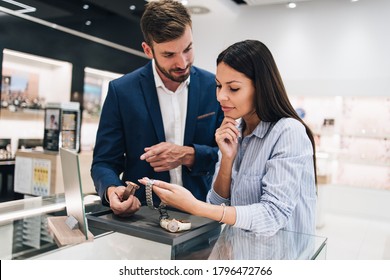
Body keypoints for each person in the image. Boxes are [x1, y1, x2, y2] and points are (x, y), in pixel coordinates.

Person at [139, 40, 317, 235]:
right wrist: (227, 160)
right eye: (218, 86)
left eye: (233, 88)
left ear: (261, 87)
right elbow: (217, 204)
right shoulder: (234, 129)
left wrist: (194, 206)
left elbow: (273, 215)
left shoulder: (288, 132)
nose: (221, 96)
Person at [91, 0, 223, 217]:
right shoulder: (121, 91)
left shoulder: (215, 87)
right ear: (148, 50)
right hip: (143, 217)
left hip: (203, 215)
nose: (182, 63)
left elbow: (229, 157)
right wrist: (112, 190)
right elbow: (104, 162)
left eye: (188, 49)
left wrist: (188, 155)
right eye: (169, 55)